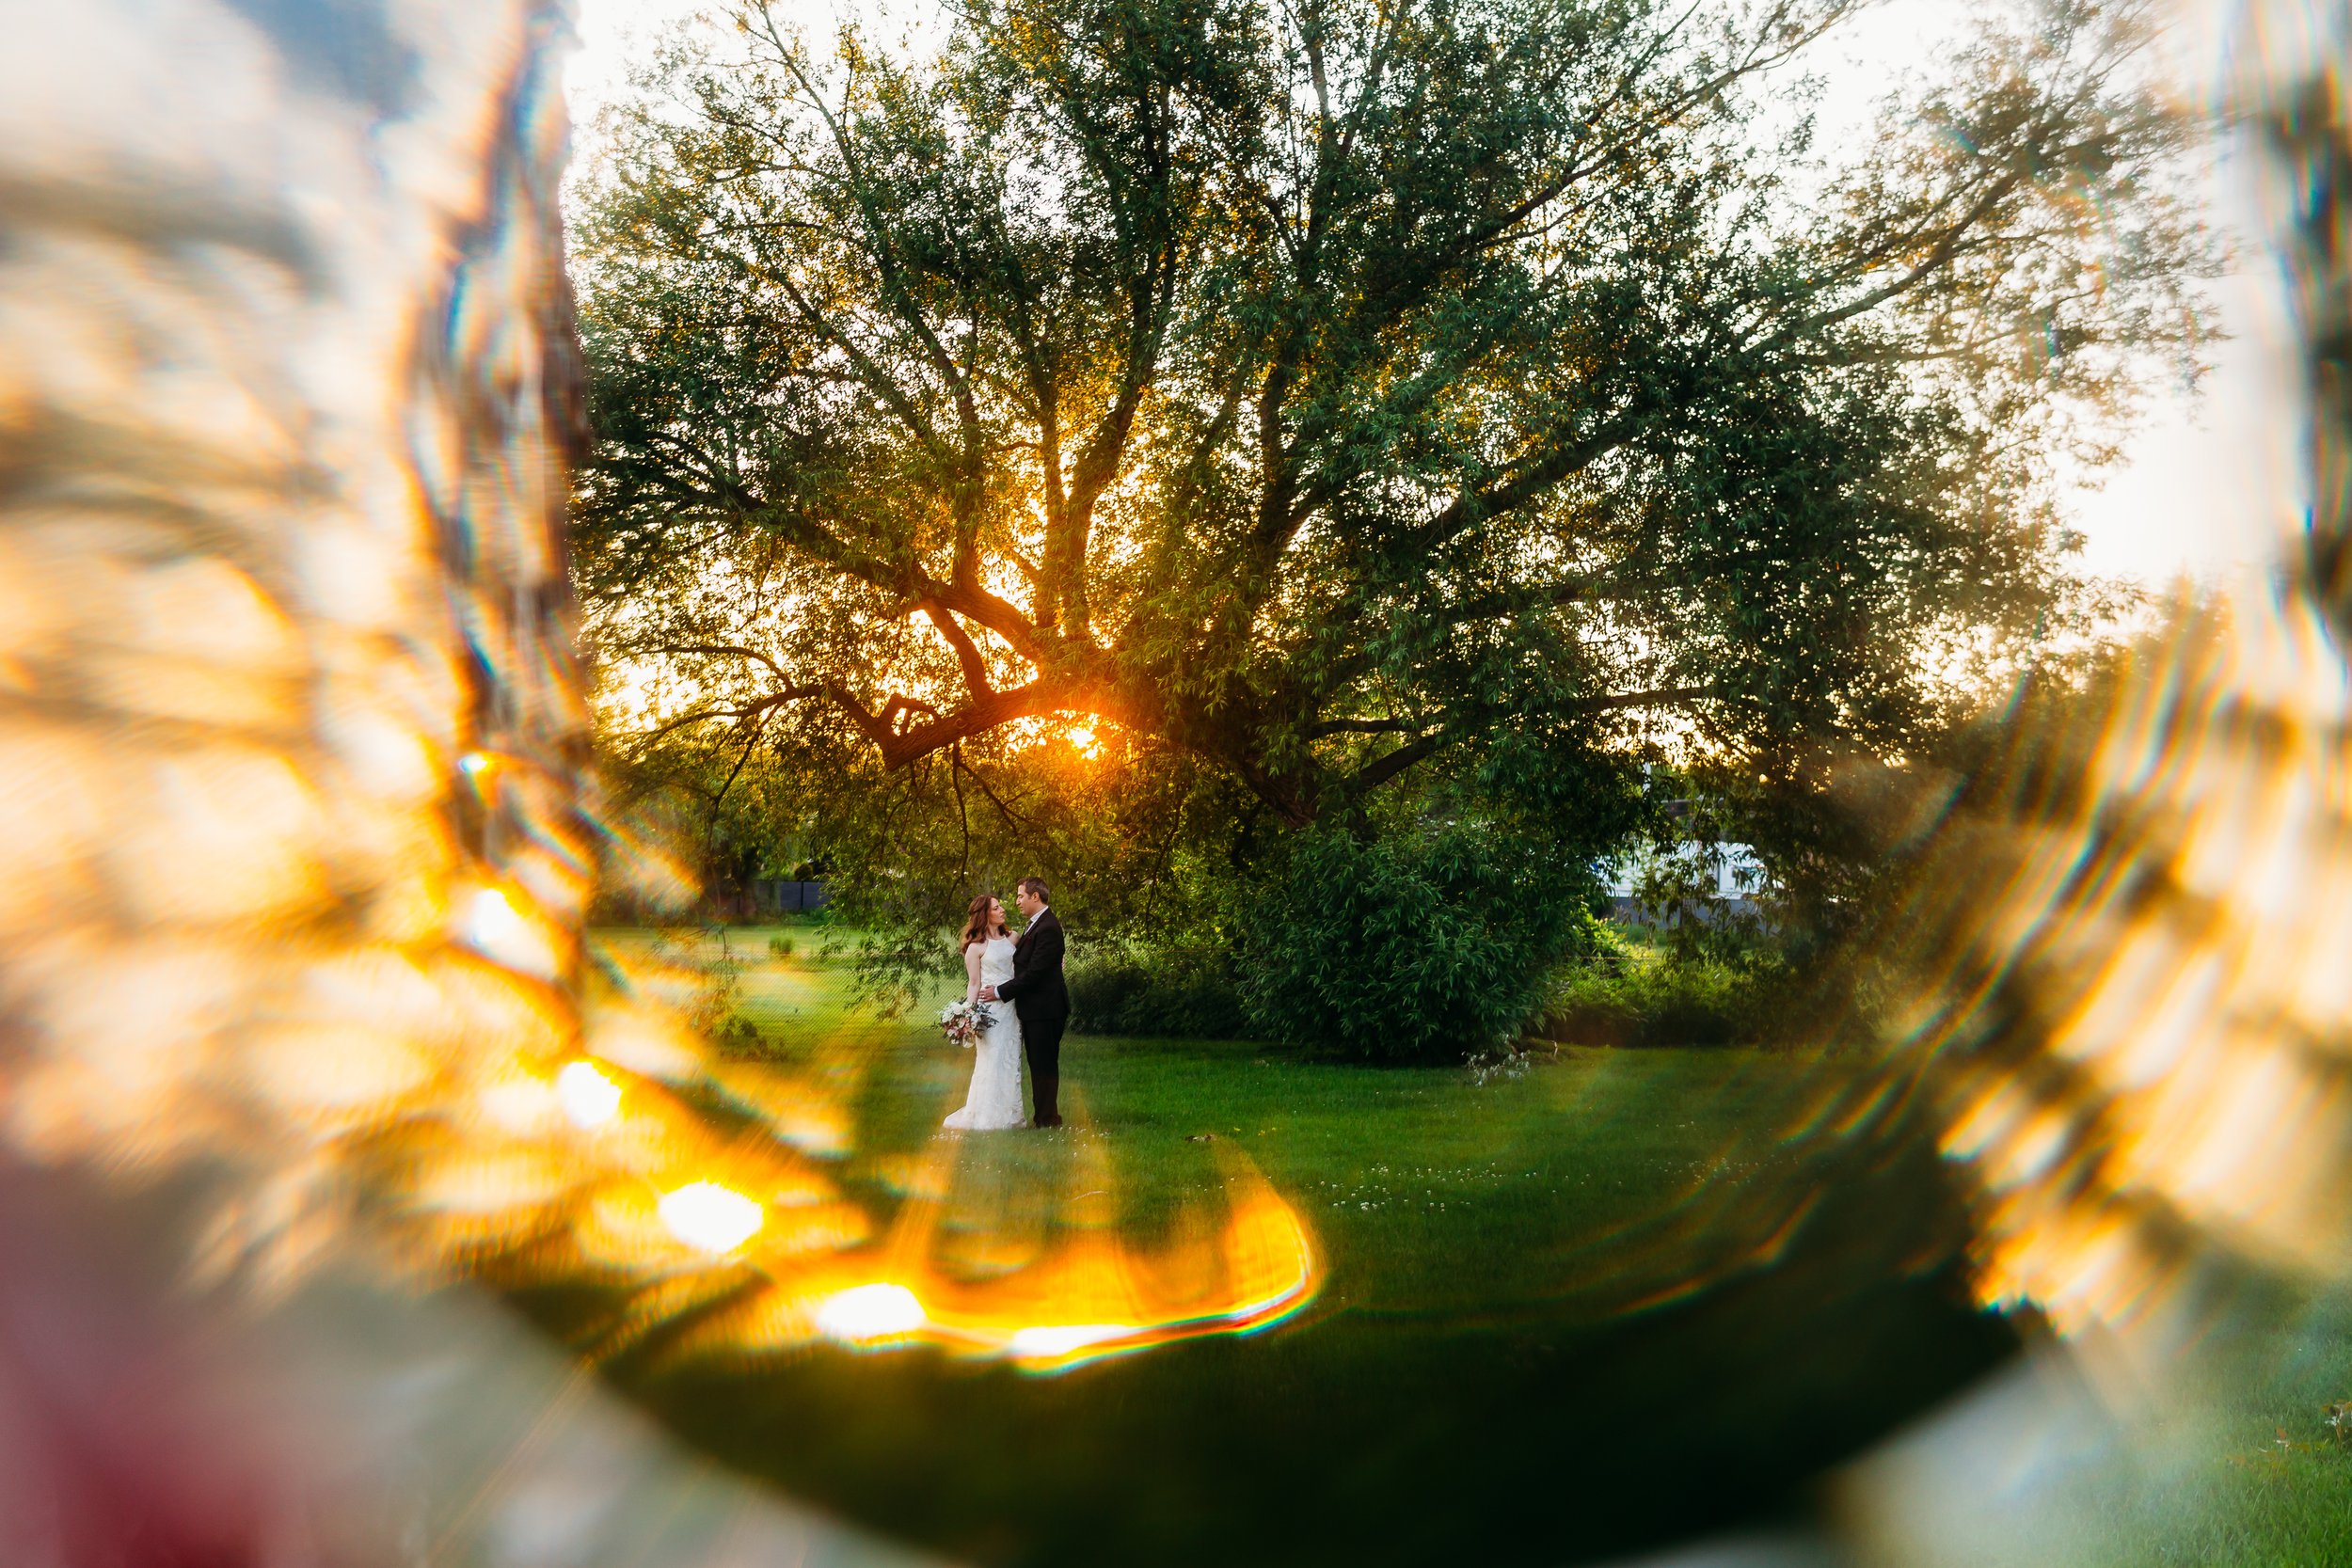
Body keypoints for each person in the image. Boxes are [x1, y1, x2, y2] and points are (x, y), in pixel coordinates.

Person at [981, 877, 1069, 1128]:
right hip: (1036, 1009)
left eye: (1021, 896)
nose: (1017, 901)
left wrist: (998, 992)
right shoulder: (1035, 925)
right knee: (1039, 1063)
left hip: (1046, 1009)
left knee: (1044, 1064)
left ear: (1035, 897)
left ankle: (1048, 1119)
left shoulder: (1048, 926)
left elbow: (1034, 974)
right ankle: (1044, 1116)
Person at [943, 895, 1026, 1131]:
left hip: (1011, 1010)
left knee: (1010, 1062)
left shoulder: (1014, 938)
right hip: (989, 1013)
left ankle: (1011, 1116)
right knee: (991, 1061)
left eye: (1001, 906)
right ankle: (988, 1118)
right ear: (985, 914)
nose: (1003, 910)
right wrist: (970, 1017)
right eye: (997, 907)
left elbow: (1029, 966)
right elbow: (973, 984)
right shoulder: (975, 947)